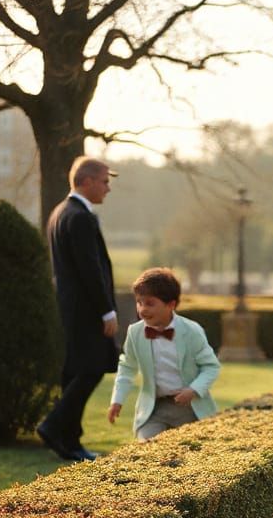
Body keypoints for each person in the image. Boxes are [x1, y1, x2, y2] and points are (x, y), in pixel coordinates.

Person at [37, 156, 119, 462]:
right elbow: (90, 268)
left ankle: (69, 442)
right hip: (86, 309)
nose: (108, 188)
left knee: (74, 372)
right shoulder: (81, 217)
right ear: (85, 181)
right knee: (92, 368)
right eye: (104, 181)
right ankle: (53, 425)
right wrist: (106, 310)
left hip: (70, 309)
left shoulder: (60, 212)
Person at [108, 268, 220, 440]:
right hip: (154, 409)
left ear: (171, 305)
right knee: (146, 450)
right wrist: (117, 400)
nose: (142, 309)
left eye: (150, 303)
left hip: (191, 408)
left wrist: (193, 390)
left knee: (191, 455)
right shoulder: (135, 332)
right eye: (139, 302)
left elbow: (211, 367)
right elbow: (127, 367)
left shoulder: (192, 331)